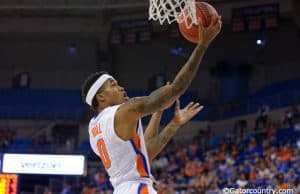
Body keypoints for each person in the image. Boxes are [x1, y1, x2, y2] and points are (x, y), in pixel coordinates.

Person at [81, 15, 222, 194]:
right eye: (114, 85)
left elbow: (142, 153)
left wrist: (169, 121)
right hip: (137, 189)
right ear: (101, 98)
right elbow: (176, 89)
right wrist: (203, 45)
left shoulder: (95, 128)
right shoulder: (122, 112)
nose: (121, 87)